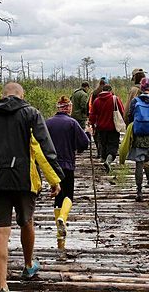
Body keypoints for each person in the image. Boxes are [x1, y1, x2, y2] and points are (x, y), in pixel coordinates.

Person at [0, 82, 64, 292]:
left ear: (3, 96)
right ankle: (28, 265)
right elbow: (41, 147)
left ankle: (2, 285)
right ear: (22, 95)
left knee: (1, 233)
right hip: (24, 180)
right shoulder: (31, 114)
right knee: (27, 222)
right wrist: (54, 178)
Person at [46, 96, 90, 250]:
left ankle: (60, 236)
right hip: (67, 165)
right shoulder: (72, 123)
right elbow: (84, 142)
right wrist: (89, 133)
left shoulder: (47, 123)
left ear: (58, 107)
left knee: (58, 196)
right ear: (68, 108)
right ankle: (62, 220)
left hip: (51, 167)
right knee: (68, 196)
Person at [89, 84, 124, 173]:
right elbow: (122, 111)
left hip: (101, 128)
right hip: (113, 127)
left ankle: (104, 159)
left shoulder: (96, 100)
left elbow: (92, 115)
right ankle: (108, 161)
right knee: (113, 146)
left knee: (103, 145)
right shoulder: (115, 99)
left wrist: (92, 124)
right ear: (110, 90)